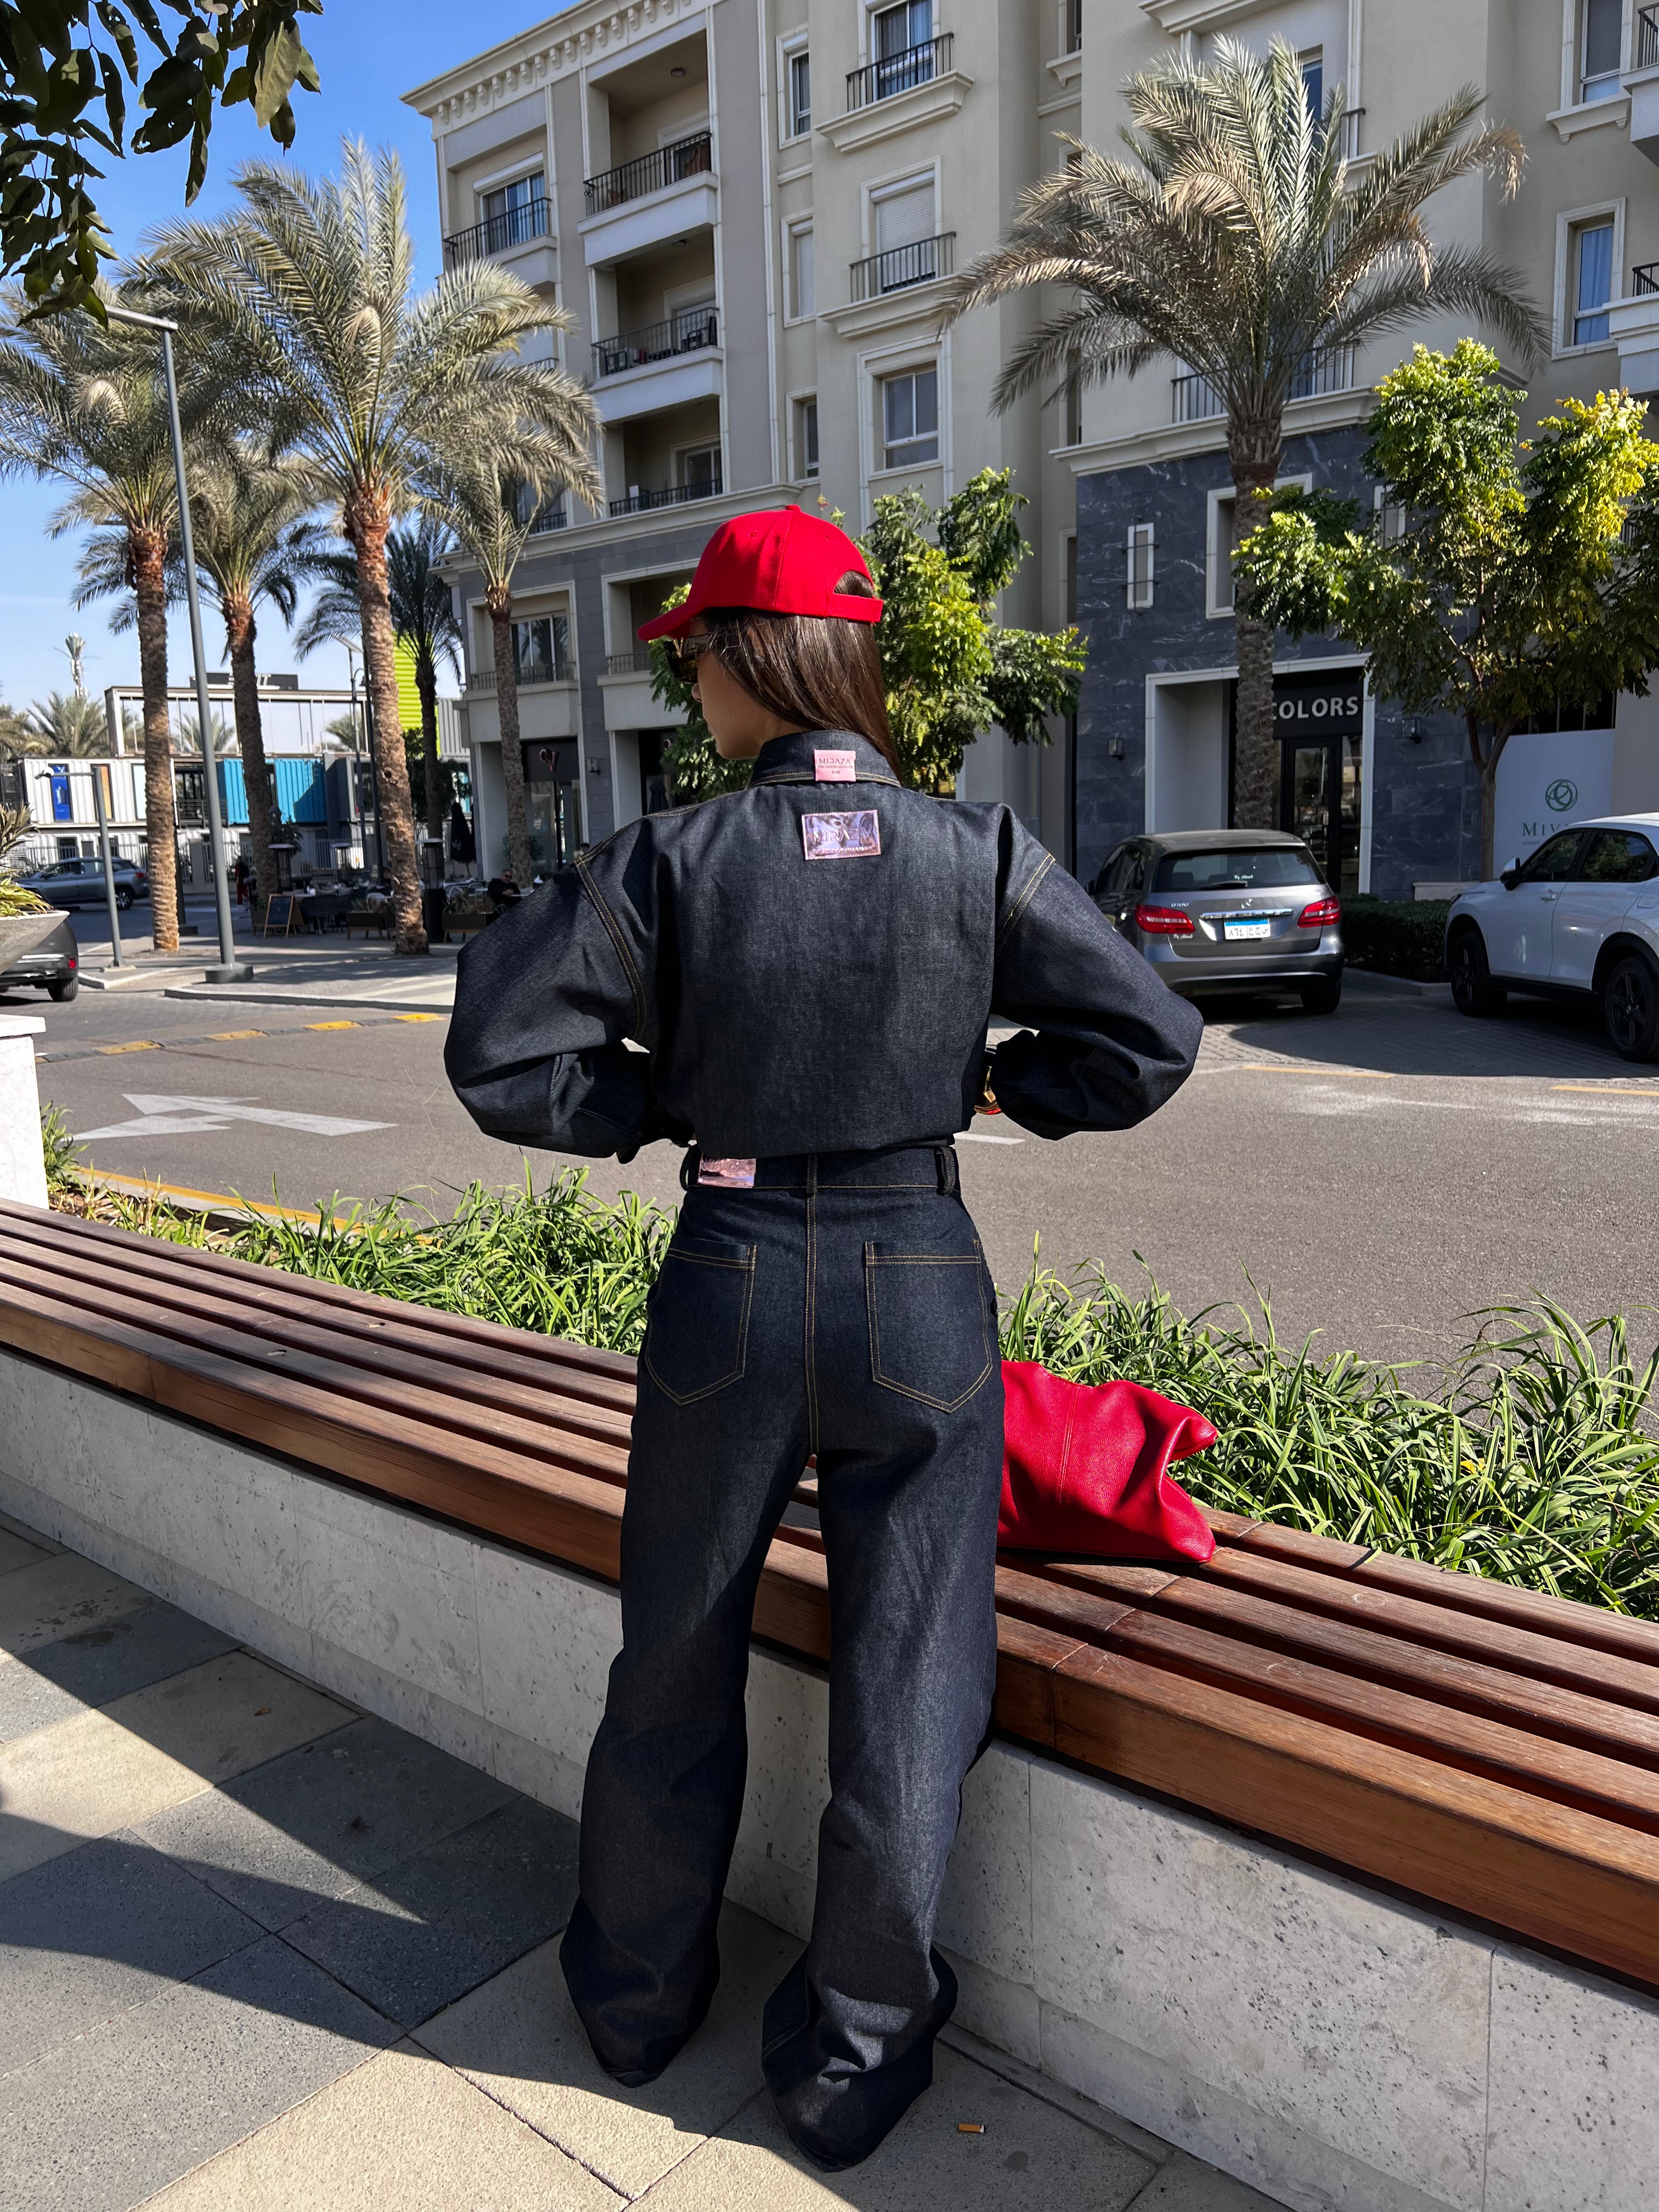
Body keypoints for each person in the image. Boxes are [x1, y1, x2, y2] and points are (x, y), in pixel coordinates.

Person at [444, 506, 1201, 2170]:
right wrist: (1008, 1082)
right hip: (918, 1269)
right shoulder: (975, 846)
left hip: (730, 1276)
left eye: (695, 661)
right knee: (915, 1673)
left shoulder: (669, 859)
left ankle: (638, 2000)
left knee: (676, 1649)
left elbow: (500, 1050)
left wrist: (653, 1101)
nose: (689, 696)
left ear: (743, 656)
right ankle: (856, 2058)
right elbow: (1147, 1037)